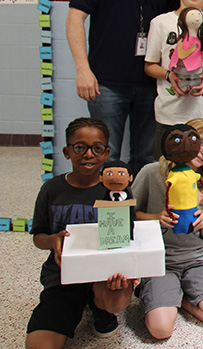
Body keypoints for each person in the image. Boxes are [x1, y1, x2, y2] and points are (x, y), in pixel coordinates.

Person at [66, 0, 178, 175]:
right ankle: (108, 218)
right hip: (105, 83)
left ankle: (137, 216)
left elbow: (176, 36)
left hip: (150, 84)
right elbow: (75, 18)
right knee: (106, 157)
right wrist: (82, 69)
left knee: (145, 159)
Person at [26, 118, 134, 348]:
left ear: (106, 154)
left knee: (118, 298)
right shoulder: (52, 189)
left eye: (96, 148)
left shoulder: (117, 191)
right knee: (38, 345)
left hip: (104, 274)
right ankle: (72, 306)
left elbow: (131, 231)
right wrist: (53, 240)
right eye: (79, 147)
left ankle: (100, 308)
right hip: (63, 275)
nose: (88, 154)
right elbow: (38, 236)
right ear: (67, 151)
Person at [132, 118, 203, 338]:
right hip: (160, 260)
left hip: (195, 259)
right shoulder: (151, 172)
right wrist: (156, 218)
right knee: (160, 330)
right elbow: (129, 216)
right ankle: (160, 295)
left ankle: (182, 299)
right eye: (201, 142)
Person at [144, 0, 203, 160]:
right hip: (169, 113)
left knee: (201, 169)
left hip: (201, 113)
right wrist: (169, 75)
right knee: (164, 168)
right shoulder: (160, 23)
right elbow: (150, 66)